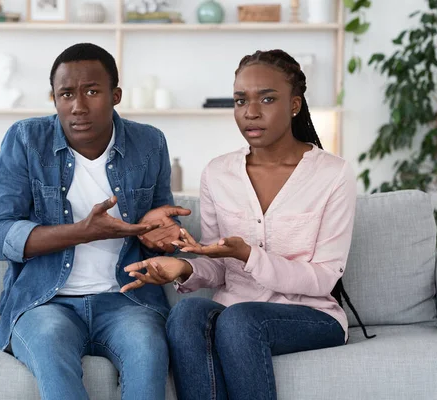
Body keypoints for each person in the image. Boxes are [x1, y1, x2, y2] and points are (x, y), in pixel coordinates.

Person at [121, 49, 373, 400]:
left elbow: (324, 277)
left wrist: (250, 256)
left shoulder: (332, 173)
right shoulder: (218, 173)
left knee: (240, 321)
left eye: (267, 99)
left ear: (295, 104)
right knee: (187, 313)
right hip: (234, 310)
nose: (251, 112)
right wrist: (181, 268)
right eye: (241, 101)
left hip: (310, 314)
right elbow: (218, 267)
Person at [0, 42, 190, 400]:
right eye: (66, 94)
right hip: (47, 302)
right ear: (54, 98)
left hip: (127, 302)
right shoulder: (27, 140)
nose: (78, 106)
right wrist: (82, 233)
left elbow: (160, 224)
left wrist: (162, 236)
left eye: (92, 91)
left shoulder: (150, 143)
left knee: (148, 353)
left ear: (115, 95)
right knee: (49, 348)